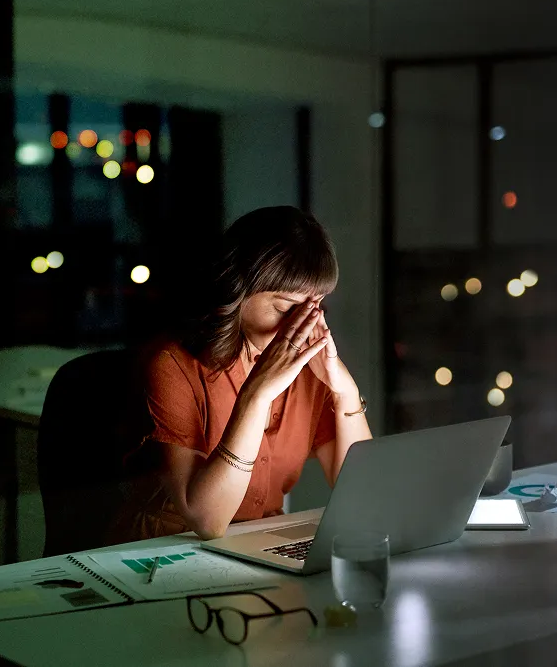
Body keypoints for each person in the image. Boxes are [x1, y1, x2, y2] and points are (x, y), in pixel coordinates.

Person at [111, 206, 372, 541]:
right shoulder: (173, 365)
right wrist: (257, 394)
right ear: (237, 289)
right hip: (161, 554)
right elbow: (207, 521)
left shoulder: (309, 371)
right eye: (286, 307)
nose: (302, 323)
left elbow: (361, 493)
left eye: (316, 305)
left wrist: (344, 390)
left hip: (254, 545)